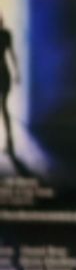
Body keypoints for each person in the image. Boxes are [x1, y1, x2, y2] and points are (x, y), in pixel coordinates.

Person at [0, 11, 19, 163]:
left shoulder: (6, 35)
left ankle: (9, 141)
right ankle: (9, 141)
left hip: (3, 75)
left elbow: (12, 54)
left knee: (4, 107)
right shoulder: (6, 34)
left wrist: (17, 72)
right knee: (4, 107)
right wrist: (17, 72)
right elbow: (12, 54)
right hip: (4, 73)